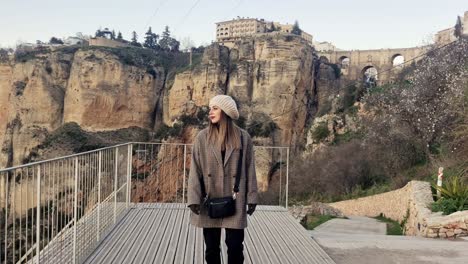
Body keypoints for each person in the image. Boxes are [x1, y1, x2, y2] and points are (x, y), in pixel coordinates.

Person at [187, 94, 258, 264]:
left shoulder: (243, 138)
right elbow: (195, 170)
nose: (210, 112)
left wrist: (252, 197)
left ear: (225, 111)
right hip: (209, 197)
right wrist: (194, 199)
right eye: (210, 108)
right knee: (211, 249)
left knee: (235, 247)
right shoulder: (202, 138)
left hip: (235, 198)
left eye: (215, 108)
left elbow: (250, 168)